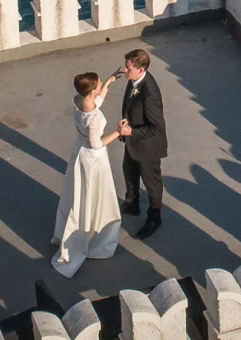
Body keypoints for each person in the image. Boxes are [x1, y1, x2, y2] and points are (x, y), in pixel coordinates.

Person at [50, 70, 123, 277]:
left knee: (77, 194)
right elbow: (96, 144)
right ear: (92, 90)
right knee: (96, 195)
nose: (101, 85)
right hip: (94, 159)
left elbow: (95, 102)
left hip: (78, 152)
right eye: (99, 83)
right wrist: (118, 132)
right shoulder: (95, 120)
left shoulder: (78, 100)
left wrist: (109, 82)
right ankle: (95, 238)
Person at [116, 48, 167, 237]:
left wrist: (132, 131)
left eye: (129, 68)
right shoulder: (135, 80)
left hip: (148, 147)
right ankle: (132, 203)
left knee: (152, 183)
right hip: (133, 141)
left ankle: (155, 217)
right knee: (129, 171)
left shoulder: (149, 94)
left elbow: (158, 128)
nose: (125, 70)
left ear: (141, 69)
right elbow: (128, 103)